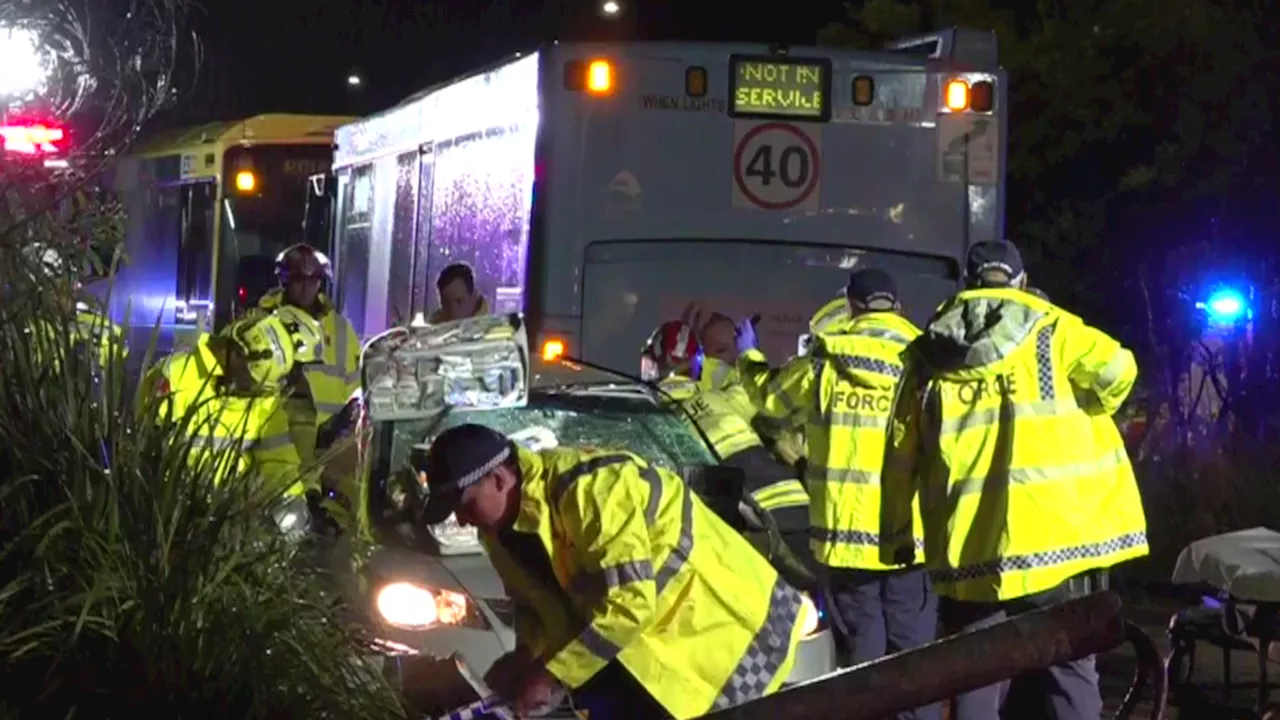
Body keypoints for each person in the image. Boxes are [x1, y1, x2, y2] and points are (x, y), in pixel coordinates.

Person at [888, 240, 1148, 720]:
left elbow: (900, 455)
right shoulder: (1055, 330)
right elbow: (1120, 371)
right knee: (1069, 672)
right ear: (1022, 282)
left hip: (969, 554)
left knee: (976, 680)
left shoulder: (926, 355)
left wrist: (898, 537)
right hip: (1059, 547)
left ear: (968, 284)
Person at [414, 423, 808, 719]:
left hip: (732, 639)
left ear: (499, 479)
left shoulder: (593, 489)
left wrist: (551, 676)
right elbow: (538, 610)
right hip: (658, 661)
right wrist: (526, 659)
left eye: (465, 505)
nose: (462, 521)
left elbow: (629, 606)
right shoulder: (498, 532)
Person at [736, 268, 940, 720]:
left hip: (847, 538)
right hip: (913, 535)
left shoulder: (827, 361)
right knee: (914, 648)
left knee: (863, 643)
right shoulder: (926, 360)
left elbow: (769, 396)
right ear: (897, 307)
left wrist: (747, 352)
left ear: (852, 305)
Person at [641, 320, 812, 568]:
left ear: (650, 368)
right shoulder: (726, 398)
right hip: (800, 508)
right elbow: (763, 394)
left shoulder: (655, 422)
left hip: (756, 526)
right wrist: (748, 351)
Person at [144, 309, 324, 497]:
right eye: (252, 383)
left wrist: (293, 501)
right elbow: (149, 448)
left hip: (235, 513)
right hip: (173, 508)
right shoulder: (175, 377)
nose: (254, 393)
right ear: (238, 355)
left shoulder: (265, 399)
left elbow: (280, 463)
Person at [255, 244, 361, 500]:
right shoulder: (263, 323)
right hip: (277, 435)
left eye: (312, 279)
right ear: (285, 281)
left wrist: (343, 426)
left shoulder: (340, 328)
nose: (306, 287)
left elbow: (355, 384)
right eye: (298, 279)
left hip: (329, 444)